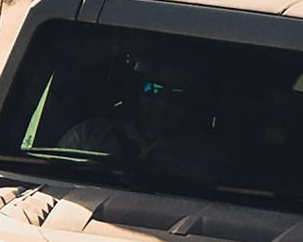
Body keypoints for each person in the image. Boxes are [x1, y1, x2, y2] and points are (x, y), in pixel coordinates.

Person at [58, 49, 227, 184]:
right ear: (136, 91)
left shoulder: (203, 157)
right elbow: (56, 175)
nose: (162, 103)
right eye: (153, 89)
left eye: (176, 94)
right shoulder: (88, 136)